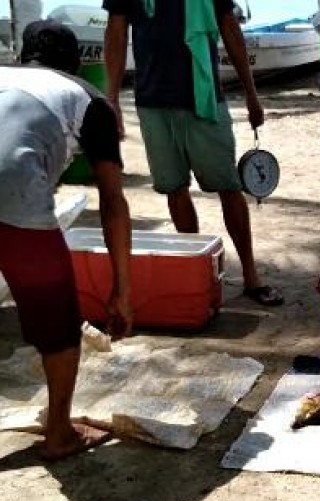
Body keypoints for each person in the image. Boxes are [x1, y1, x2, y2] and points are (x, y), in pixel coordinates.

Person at [0, 20, 133, 459]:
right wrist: (122, 291)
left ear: (22, 56)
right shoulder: (86, 98)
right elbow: (113, 202)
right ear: (76, 65)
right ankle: (59, 432)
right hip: (15, 201)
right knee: (58, 326)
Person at [103, 0, 283, 306]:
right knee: (174, 189)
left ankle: (252, 277)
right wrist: (112, 100)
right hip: (152, 103)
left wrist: (252, 95)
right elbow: (116, 34)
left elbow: (230, 28)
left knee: (229, 186)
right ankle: (196, 274)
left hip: (205, 99)